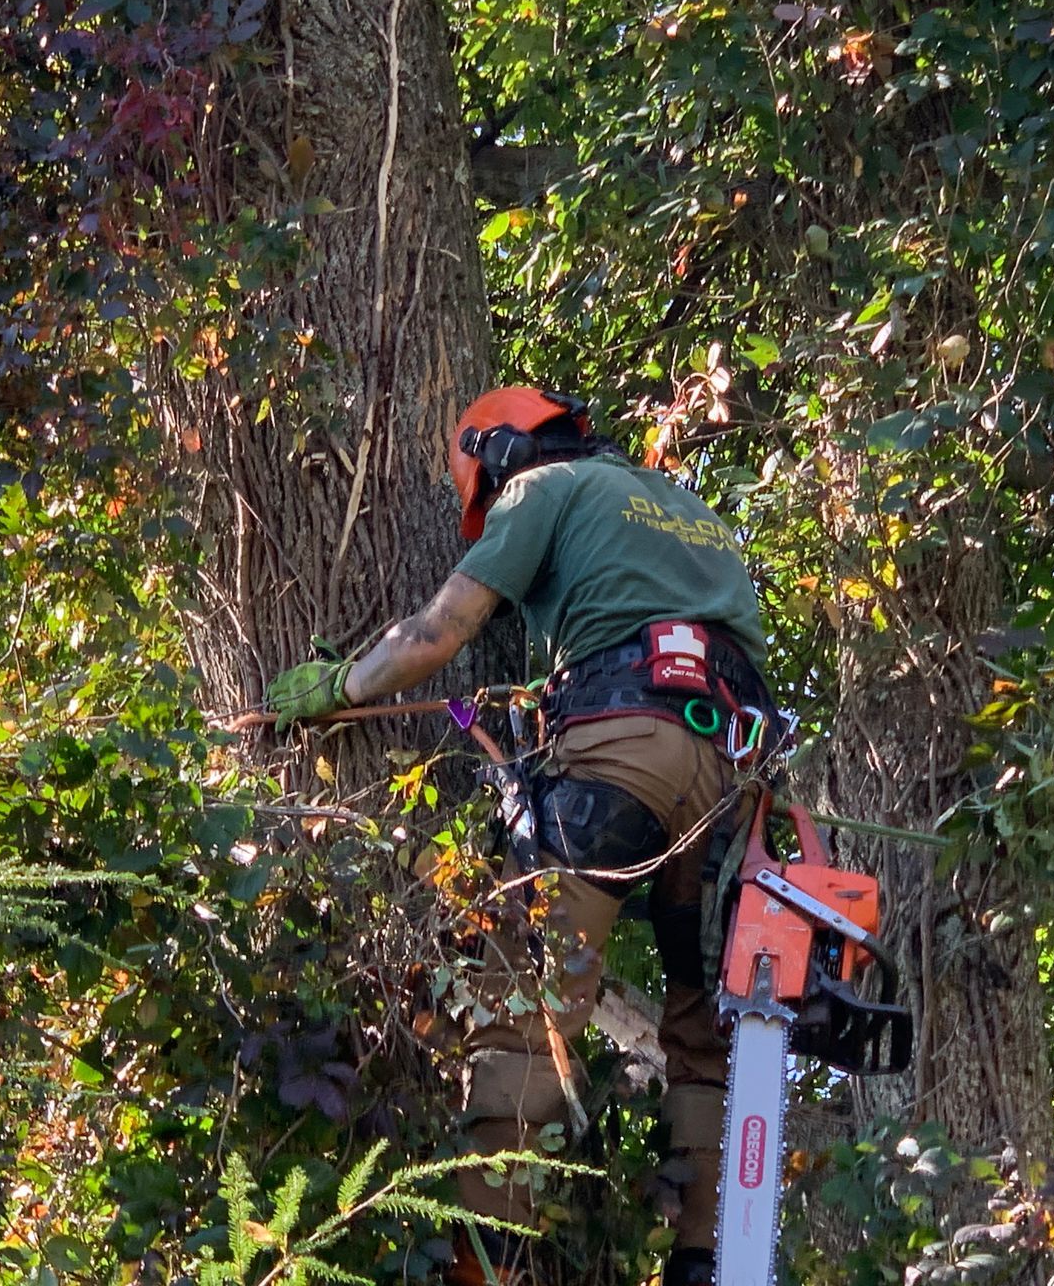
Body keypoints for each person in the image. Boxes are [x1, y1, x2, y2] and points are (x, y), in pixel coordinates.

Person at [265, 387, 786, 1286]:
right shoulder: (688, 509)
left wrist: (339, 688)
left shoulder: (540, 490)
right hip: (731, 782)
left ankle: (483, 1263)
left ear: (499, 451)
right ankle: (710, 1258)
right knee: (702, 1029)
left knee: (523, 1011)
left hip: (621, 754)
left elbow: (436, 634)